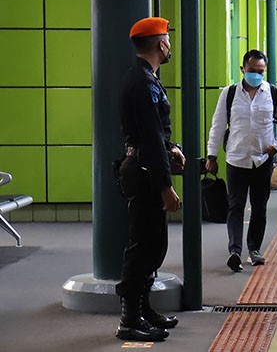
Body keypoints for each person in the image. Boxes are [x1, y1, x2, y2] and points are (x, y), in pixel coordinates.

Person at [115, 17, 182, 341]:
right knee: (143, 246)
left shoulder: (146, 78)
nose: (170, 45)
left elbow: (156, 134)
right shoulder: (143, 83)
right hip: (143, 172)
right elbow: (151, 137)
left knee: (153, 245)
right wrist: (166, 187)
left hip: (144, 166)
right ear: (160, 44)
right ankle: (129, 319)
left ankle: (143, 310)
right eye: (167, 39)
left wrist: (172, 148)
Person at [205, 50, 277, 272]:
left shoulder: (273, 93)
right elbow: (217, 126)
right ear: (243, 68)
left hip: (262, 159)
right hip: (236, 157)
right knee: (235, 205)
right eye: (252, 70)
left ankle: (254, 249)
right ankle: (234, 250)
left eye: (260, 71)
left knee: (259, 206)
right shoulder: (230, 93)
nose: (256, 75)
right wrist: (212, 156)